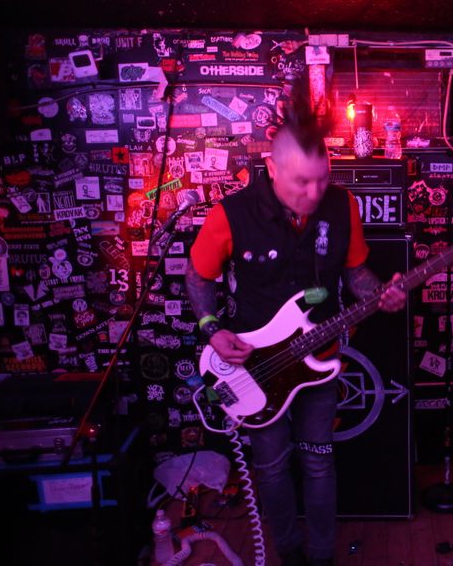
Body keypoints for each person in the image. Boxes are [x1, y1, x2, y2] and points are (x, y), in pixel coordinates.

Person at [185, 101, 406, 566]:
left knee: (319, 460)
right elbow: (199, 275)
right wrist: (211, 329)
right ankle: (288, 553)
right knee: (270, 466)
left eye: (322, 179)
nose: (314, 192)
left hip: (318, 357)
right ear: (271, 168)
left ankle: (322, 556)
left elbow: (355, 272)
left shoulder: (343, 205)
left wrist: (379, 294)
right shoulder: (231, 214)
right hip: (255, 365)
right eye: (301, 182)